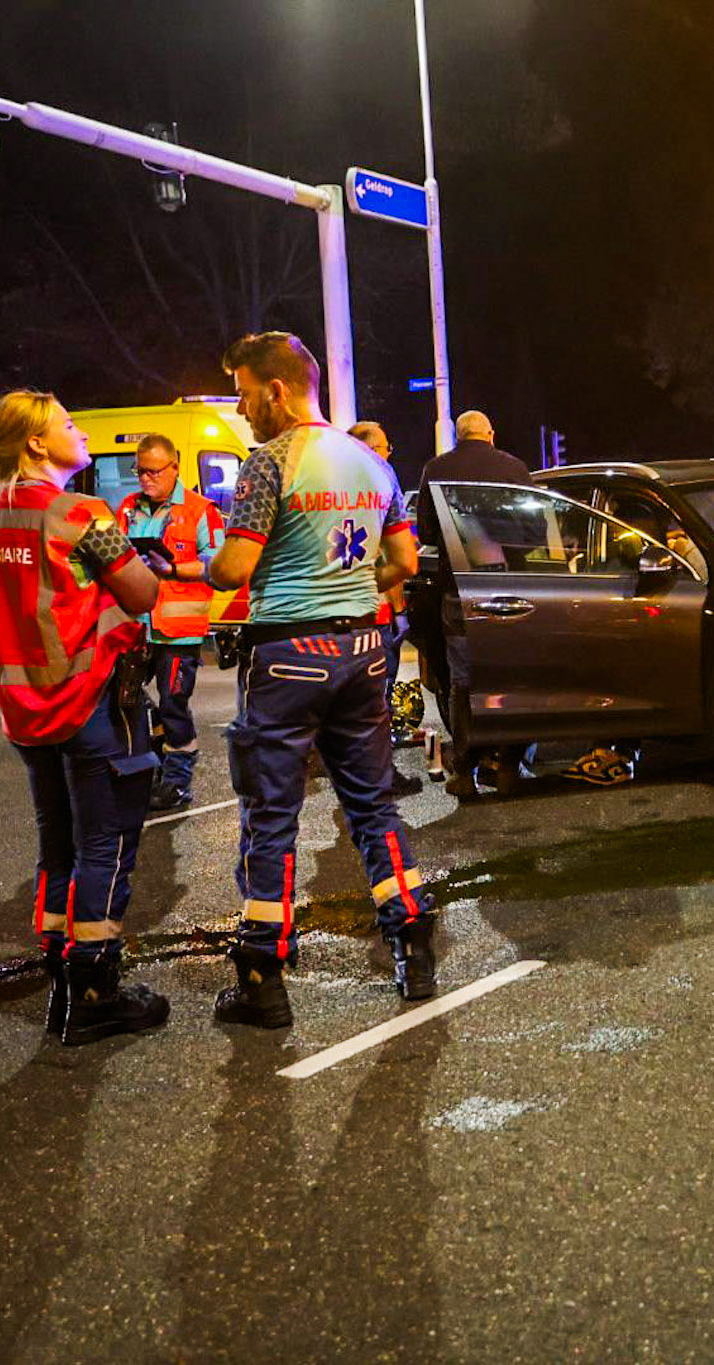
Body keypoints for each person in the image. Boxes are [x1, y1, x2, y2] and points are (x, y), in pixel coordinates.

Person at [206, 332, 434, 1025]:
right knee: (373, 806)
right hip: (363, 648)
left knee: (271, 816)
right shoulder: (374, 463)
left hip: (286, 654)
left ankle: (262, 976)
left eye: (246, 393)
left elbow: (234, 569)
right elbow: (404, 562)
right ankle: (412, 941)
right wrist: (351, 585)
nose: (242, 409)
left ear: (277, 390)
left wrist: (206, 562)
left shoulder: (269, 463)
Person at [0, 390, 171, 1046]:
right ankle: (95, 990)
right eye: (67, 424)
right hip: (88, 702)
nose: (79, 432)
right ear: (36, 443)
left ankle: (59, 964)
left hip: (24, 710)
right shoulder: (79, 513)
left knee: (56, 844)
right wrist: (147, 567)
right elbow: (141, 590)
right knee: (105, 843)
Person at [411, 409, 532, 795]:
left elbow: (426, 532)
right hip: (509, 589)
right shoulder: (514, 469)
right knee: (508, 675)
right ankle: (509, 766)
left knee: (463, 681)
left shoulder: (436, 469)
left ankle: (466, 770)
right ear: (490, 434)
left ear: (458, 437)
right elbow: (534, 530)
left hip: (459, 590)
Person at [116, 433, 226, 812]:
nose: (145, 479)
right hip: (136, 628)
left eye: (153, 471)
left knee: (174, 704)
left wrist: (173, 569)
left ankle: (177, 781)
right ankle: (149, 767)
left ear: (174, 468)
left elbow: (218, 564)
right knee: (126, 698)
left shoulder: (200, 510)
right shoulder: (128, 508)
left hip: (178, 634)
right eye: (140, 471)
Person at [348, 420, 414, 733]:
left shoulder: (329, 485)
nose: (389, 454)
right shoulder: (382, 485)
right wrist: (400, 610)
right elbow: (399, 560)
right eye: (387, 448)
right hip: (376, 613)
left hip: (333, 616)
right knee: (378, 694)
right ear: (374, 450)